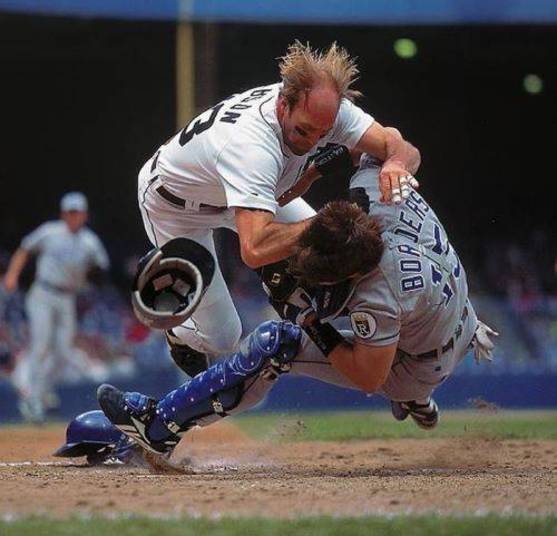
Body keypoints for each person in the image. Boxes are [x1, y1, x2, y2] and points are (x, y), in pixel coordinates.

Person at [96, 157, 497, 455]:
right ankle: (416, 401)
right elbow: (386, 142)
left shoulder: (380, 295)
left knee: (276, 342)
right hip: (456, 317)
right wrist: (378, 158)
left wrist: (308, 318)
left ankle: (159, 426)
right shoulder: (381, 187)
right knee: (381, 324)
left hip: (417, 363)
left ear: (351, 275)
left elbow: (368, 377)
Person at [137, 40, 420, 377]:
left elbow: (397, 143)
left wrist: (397, 162)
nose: (312, 141)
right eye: (304, 130)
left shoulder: (325, 111)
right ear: (283, 104)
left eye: (323, 133)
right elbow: (255, 249)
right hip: (175, 206)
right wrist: (328, 221)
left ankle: (401, 358)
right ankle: (179, 332)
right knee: (225, 337)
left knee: (350, 246)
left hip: (236, 192)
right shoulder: (251, 145)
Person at [3, 192, 110, 422]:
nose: (74, 216)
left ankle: (40, 391)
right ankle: (33, 400)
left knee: (63, 353)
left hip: (67, 299)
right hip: (43, 293)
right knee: (41, 345)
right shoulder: (50, 232)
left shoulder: (90, 242)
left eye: (77, 212)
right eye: (70, 212)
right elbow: (24, 249)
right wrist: (12, 275)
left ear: (84, 215)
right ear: (63, 214)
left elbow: (102, 269)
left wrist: (96, 276)